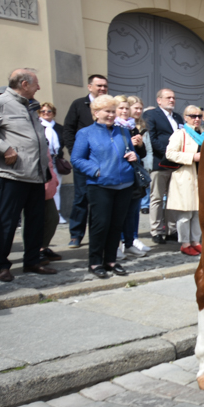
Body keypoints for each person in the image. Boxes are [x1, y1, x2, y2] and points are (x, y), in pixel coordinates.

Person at [0, 68, 56, 281]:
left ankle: (32, 261)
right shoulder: (2, 102)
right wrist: (5, 148)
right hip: (12, 175)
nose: (39, 87)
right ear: (24, 84)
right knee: (6, 222)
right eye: (36, 83)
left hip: (36, 174)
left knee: (35, 222)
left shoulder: (31, 105)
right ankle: (0, 266)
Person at [71, 95, 138, 279]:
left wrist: (134, 156)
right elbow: (76, 159)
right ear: (95, 113)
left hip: (124, 184)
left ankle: (110, 260)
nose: (111, 115)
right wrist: (96, 171)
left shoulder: (123, 132)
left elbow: (131, 153)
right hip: (100, 185)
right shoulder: (86, 133)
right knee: (100, 225)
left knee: (117, 225)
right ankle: (94, 262)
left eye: (112, 111)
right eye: (107, 111)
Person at [63, 74, 107, 248]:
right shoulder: (78, 104)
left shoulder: (111, 106)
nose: (102, 89)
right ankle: (76, 235)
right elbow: (68, 129)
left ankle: (98, 235)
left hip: (104, 163)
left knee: (101, 200)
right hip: (84, 162)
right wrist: (75, 154)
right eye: (99, 86)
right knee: (81, 198)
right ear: (90, 87)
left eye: (105, 86)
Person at [144, 89, 184, 244]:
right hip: (160, 162)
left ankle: (171, 230)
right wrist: (169, 153)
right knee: (157, 198)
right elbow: (151, 138)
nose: (172, 100)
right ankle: (156, 231)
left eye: (174, 97)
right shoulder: (151, 115)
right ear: (159, 100)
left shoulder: (177, 117)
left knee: (173, 198)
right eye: (168, 97)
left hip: (176, 164)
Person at [165, 105, 204, 256]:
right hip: (185, 176)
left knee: (197, 213)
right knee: (185, 214)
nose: (197, 119)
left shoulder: (203, 133)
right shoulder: (180, 134)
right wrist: (192, 157)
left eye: (199, 116)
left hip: (200, 177)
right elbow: (170, 154)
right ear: (186, 117)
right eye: (193, 116)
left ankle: (195, 241)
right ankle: (185, 243)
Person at [114, 96, 149, 259]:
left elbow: (142, 154)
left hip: (134, 174)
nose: (124, 111)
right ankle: (118, 242)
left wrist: (139, 145)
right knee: (118, 211)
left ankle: (131, 240)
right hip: (117, 174)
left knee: (133, 210)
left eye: (126, 108)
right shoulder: (113, 127)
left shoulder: (132, 127)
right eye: (121, 108)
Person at [38, 102, 66, 225]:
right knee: (42, 188)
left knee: (56, 187)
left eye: (48, 111)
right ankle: (42, 214)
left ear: (53, 113)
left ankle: (57, 213)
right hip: (42, 161)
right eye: (43, 111)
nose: (46, 113)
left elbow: (63, 141)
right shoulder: (38, 126)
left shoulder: (59, 128)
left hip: (56, 161)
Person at [128, 96, 151, 220]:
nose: (138, 111)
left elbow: (143, 153)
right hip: (126, 167)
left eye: (140, 109)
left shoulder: (141, 125)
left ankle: (133, 236)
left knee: (135, 205)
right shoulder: (122, 125)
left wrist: (141, 144)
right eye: (136, 108)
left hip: (138, 166)